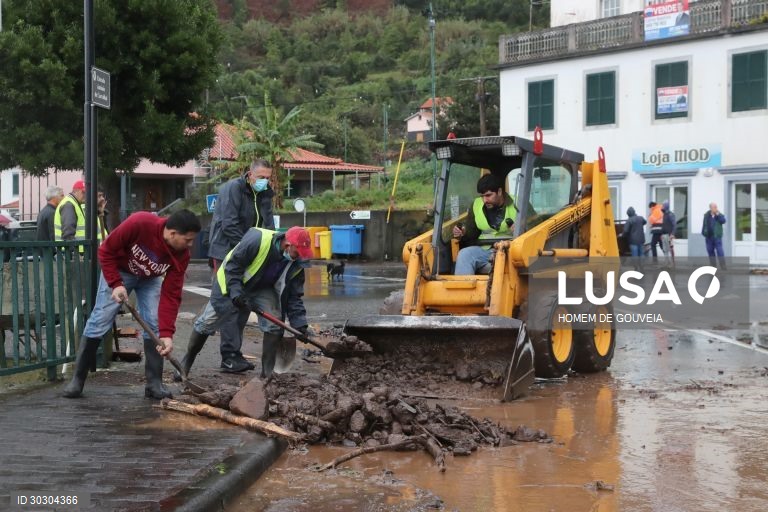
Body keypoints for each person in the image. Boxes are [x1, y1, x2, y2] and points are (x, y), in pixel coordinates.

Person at [62, 209, 202, 399]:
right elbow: (106, 251)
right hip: (120, 272)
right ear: (172, 233)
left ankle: (154, 384)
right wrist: (115, 283)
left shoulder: (182, 255)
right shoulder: (140, 223)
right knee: (100, 319)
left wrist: (166, 334)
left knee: (153, 322)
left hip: (150, 279)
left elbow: (171, 295)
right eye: (188, 239)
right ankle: (77, 380)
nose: (190, 244)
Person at [177, 226, 312, 379]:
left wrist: (300, 325)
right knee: (207, 322)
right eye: (298, 253)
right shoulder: (257, 240)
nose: (300, 257)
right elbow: (233, 267)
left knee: (274, 324)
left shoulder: (297, 263)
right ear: (288, 245)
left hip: (262, 287)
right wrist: (236, 293)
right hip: (231, 282)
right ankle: (187, 361)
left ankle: (266, 375)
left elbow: (294, 297)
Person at [208, 159, 275, 271]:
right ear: (250, 174)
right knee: (223, 282)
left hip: (248, 251)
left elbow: (269, 224)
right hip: (225, 250)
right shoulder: (234, 187)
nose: (265, 181)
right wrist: (247, 246)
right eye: (261, 177)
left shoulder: (265, 193)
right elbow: (229, 224)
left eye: (267, 178)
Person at [452, 174, 517, 275]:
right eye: (482, 196)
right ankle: (464, 285)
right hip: (486, 251)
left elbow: (535, 228)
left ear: (499, 191)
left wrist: (522, 230)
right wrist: (463, 233)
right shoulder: (476, 204)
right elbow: (471, 234)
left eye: (488, 195)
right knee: (464, 254)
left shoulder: (518, 202)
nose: (485, 200)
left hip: (512, 250)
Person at [54, 180, 87, 244]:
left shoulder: (73, 203)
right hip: (71, 249)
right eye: (83, 192)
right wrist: (73, 249)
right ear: (75, 191)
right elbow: (68, 235)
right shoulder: (69, 204)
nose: (85, 195)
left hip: (74, 248)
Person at [702, 202, 726, 269]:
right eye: (714, 207)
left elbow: (723, 221)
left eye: (716, 207)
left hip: (717, 236)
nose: (716, 208)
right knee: (710, 250)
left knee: (720, 251)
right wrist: (703, 232)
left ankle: (723, 265)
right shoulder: (706, 215)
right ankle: (713, 265)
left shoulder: (719, 214)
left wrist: (718, 214)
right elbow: (704, 224)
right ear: (710, 208)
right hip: (709, 236)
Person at [661, 201, 676, 267]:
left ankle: (673, 263)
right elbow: (664, 225)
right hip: (664, 235)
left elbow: (674, 224)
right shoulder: (664, 214)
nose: (662, 207)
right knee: (665, 249)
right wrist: (661, 234)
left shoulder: (670, 214)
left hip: (669, 235)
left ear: (665, 206)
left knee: (671, 248)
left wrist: (672, 234)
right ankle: (666, 263)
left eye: (663, 205)